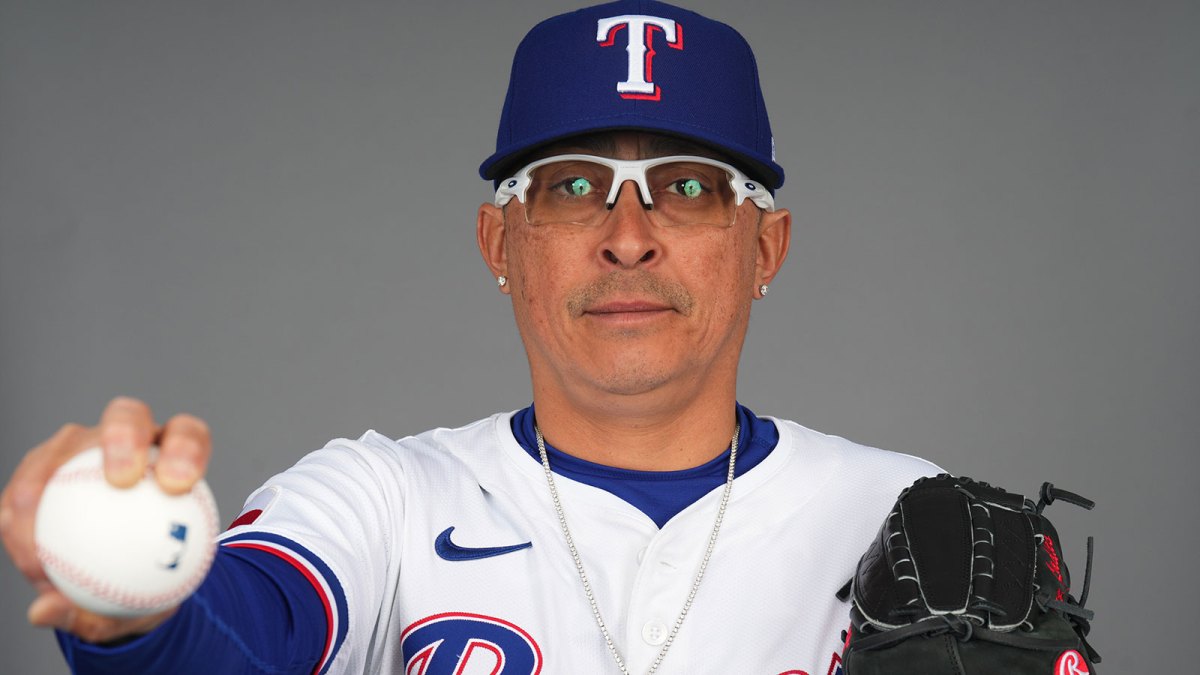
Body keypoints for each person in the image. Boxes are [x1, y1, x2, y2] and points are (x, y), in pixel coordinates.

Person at [1, 2, 939, 673]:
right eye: (571, 186)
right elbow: (248, 631)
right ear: (501, 241)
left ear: (764, 245)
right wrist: (144, 601)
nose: (627, 235)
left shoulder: (909, 518)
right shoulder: (381, 501)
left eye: (688, 186)